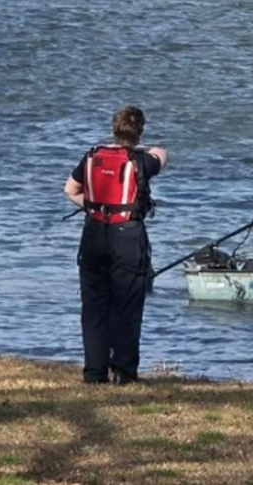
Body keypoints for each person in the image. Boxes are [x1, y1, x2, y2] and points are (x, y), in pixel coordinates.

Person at [63, 106, 169, 385]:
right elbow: (163, 154)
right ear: (140, 132)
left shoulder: (92, 156)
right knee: (127, 306)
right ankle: (123, 372)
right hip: (128, 237)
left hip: (94, 234)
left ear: (113, 129)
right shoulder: (141, 161)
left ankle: (94, 373)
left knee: (94, 306)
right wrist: (139, 147)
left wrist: (92, 207)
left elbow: (70, 190)